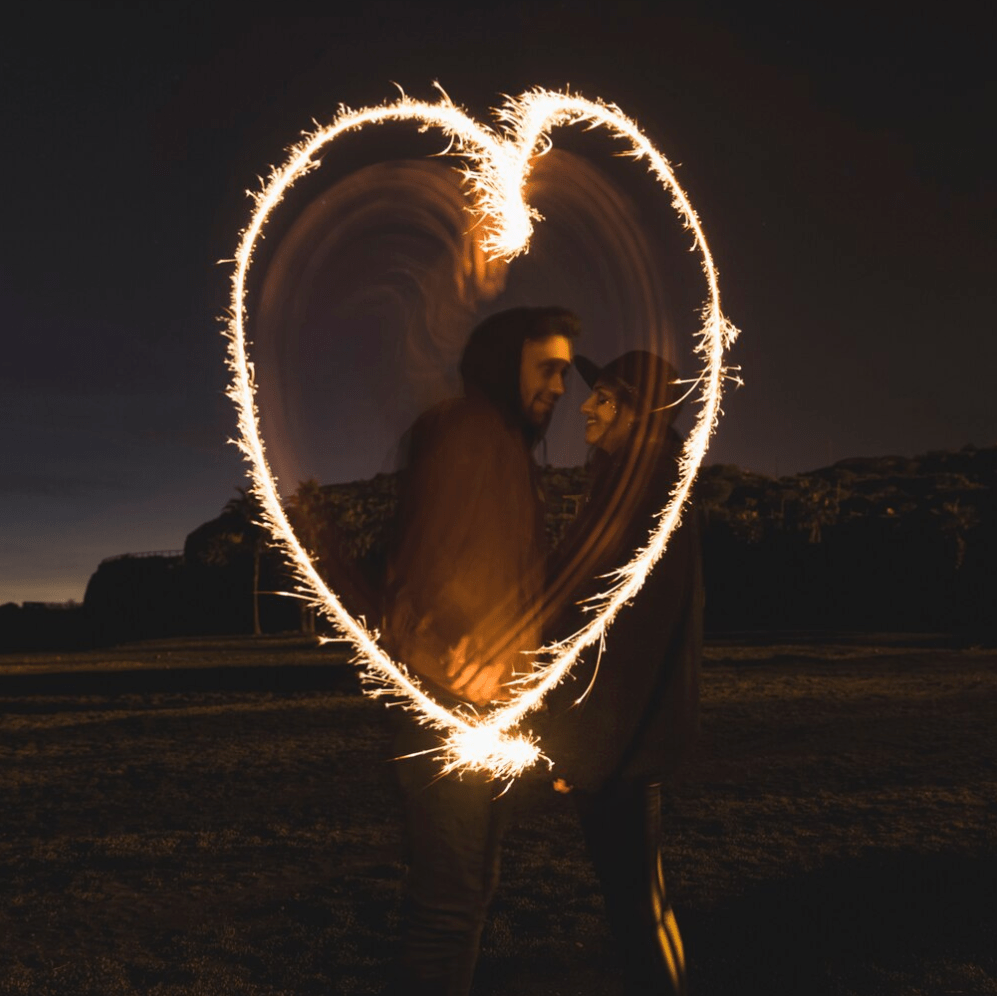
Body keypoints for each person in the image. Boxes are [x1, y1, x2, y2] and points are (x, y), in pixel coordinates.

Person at [383, 305, 579, 996]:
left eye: (565, 373)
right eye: (548, 368)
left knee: (465, 895)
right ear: (505, 363)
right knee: (449, 906)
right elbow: (414, 569)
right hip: (451, 711)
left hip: (485, 712)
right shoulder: (468, 434)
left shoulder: (506, 449)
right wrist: (448, 648)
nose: (561, 387)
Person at [544, 349, 703, 996]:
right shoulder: (644, 481)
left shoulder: (640, 488)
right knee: (642, 897)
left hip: (619, 733)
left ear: (640, 414)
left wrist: (585, 747)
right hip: (625, 731)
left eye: (605, 398)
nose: (585, 405)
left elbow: (614, 620)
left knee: (635, 904)